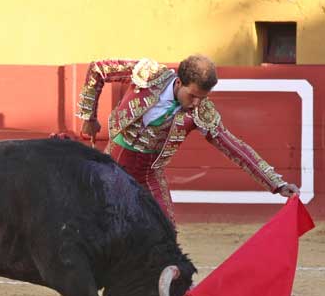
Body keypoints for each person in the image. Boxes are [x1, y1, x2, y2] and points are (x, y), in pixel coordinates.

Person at [77, 55, 300, 225]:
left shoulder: (200, 112)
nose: (195, 103)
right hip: (112, 169)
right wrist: (89, 116)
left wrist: (276, 183)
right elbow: (99, 69)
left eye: (202, 98)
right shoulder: (148, 75)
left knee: (166, 235)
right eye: (192, 95)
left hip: (148, 176)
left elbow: (234, 148)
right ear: (179, 82)